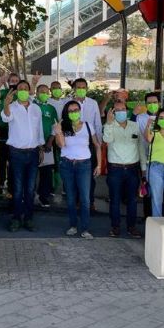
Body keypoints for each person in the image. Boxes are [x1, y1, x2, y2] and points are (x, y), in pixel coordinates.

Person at [1, 80, 45, 232]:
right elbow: (5, 118)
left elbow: (39, 130)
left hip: (33, 153)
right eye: (20, 88)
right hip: (17, 153)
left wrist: (40, 148)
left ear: (29, 90)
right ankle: (16, 218)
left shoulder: (36, 109)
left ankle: (28, 218)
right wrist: (6, 103)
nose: (23, 90)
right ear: (16, 91)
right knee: (18, 189)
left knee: (31, 188)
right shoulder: (12, 107)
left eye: (26, 88)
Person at [54, 100, 101, 239]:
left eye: (76, 110)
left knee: (85, 199)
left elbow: (97, 145)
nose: (74, 113)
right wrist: (58, 132)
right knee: (70, 198)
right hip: (67, 165)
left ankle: (85, 229)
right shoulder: (62, 126)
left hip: (84, 165)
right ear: (66, 113)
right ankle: (73, 225)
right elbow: (61, 145)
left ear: (80, 111)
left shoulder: (88, 126)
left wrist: (99, 165)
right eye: (70, 111)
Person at [103, 99, 142, 238]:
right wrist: (108, 122)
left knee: (132, 200)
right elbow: (106, 140)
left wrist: (142, 169)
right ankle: (115, 227)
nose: (121, 112)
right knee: (115, 200)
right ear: (112, 112)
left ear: (127, 111)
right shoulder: (109, 125)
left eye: (123, 109)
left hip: (132, 169)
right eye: (117, 110)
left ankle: (132, 227)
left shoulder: (134, 125)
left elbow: (140, 147)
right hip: (115, 169)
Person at [71, 78, 103, 213]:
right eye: (78, 87)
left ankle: (90, 201)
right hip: (73, 143)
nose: (81, 89)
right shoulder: (69, 103)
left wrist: (99, 144)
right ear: (74, 89)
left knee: (89, 174)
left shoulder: (93, 103)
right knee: (74, 174)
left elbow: (97, 123)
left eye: (83, 87)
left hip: (90, 142)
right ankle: (77, 201)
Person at [0, 72, 21, 197]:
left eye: (17, 80)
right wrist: (0, 82)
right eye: (12, 80)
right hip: (4, 129)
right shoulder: (5, 92)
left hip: (17, 129)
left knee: (13, 161)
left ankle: (11, 188)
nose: (14, 82)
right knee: (2, 159)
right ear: (8, 81)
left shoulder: (22, 93)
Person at [134, 92, 161, 217]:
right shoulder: (141, 118)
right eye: (149, 103)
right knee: (146, 188)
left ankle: (161, 216)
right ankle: (147, 216)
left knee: (161, 190)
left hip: (161, 159)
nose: (152, 105)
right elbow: (137, 137)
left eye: (154, 102)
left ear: (159, 103)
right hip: (145, 158)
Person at [34, 84, 59, 208]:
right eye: (41, 91)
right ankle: (29, 196)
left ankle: (43, 196)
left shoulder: (51, 108)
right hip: (32, 145)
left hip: (47, 144)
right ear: (36, 93)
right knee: (31, 172)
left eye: (46, 92)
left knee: (46, 173)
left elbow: (55, 126)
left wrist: (50, 141)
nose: (44, 93)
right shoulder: (32, 106)